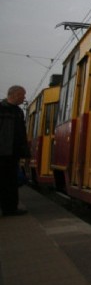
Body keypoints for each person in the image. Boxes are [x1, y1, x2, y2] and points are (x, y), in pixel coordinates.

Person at [0, 85, 28, 216]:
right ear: (15, 95)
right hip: (2, 151)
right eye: (22, 95)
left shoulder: (18, 112)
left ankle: (10, 208)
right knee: (4, 181)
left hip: (13, 152)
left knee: (11, 181)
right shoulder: (2, 108)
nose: (24, 98)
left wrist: (23, 150)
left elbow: (21, 132)